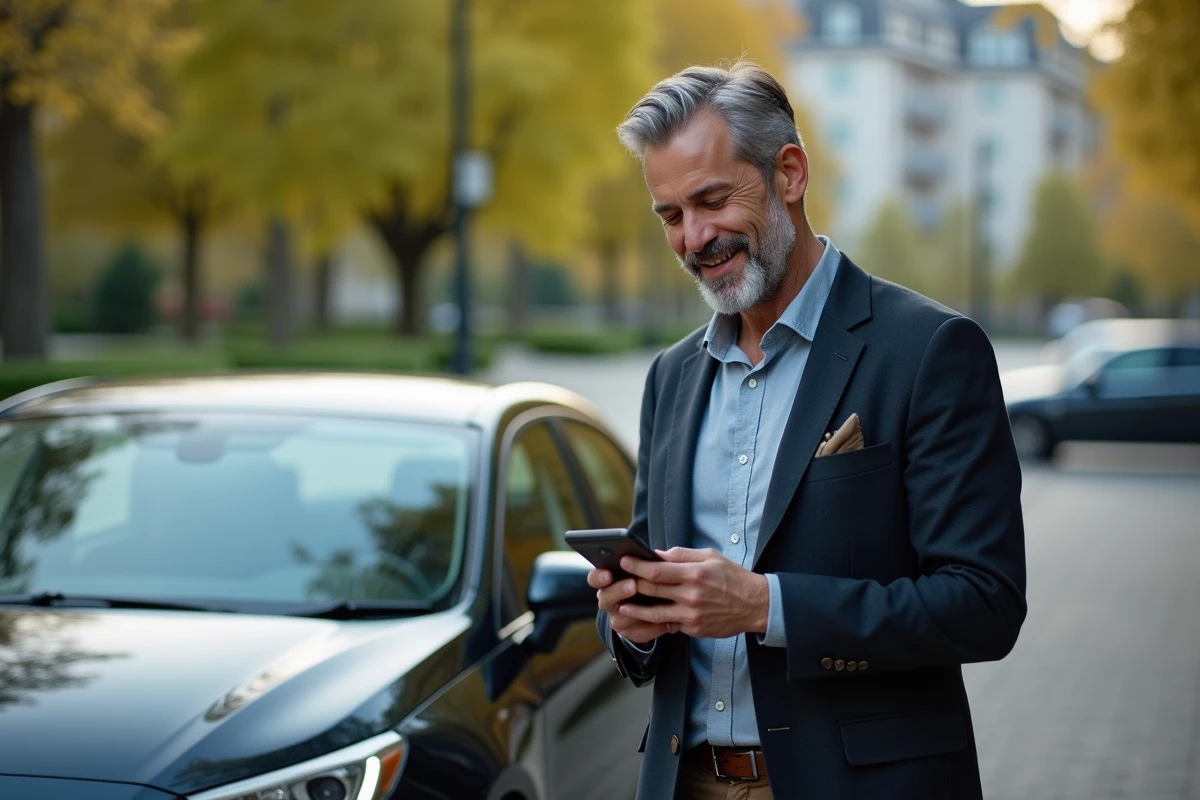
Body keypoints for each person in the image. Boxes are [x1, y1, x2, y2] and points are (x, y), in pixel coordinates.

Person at [588, 60, 1026, 800]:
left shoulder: (930, 351)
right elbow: (652, 589)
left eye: (712, 200)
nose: (694, 238)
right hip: (683, 781)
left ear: (789, 173)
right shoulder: (670, 377)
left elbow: (983, 603)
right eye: (670, 215)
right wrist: (631, 624)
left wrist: (765, 605)